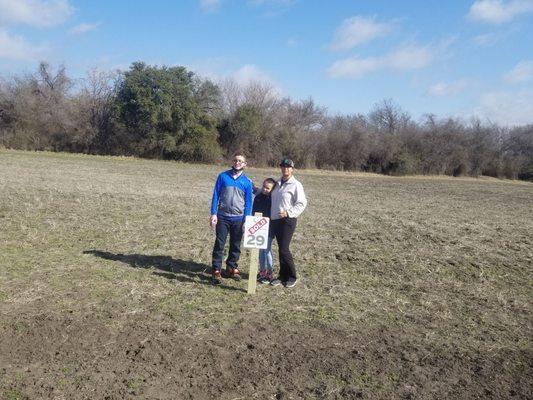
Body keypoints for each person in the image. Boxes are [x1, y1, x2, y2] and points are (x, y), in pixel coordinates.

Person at [210, 153, 253, 285]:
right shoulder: (223, 176)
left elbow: (249, 203)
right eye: (235, 160)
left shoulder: (247, 182)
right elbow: (216, 195)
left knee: (235, 244)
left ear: (245, 164)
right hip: (222, 217)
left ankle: (231, 268)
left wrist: (247, 219)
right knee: (219, 244)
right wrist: (213, 213)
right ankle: (216, 270)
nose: (237, 162)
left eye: (241, 161)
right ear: (232, 162)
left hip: (238, 218)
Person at [269, 158, 307, 288]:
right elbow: (268, 193)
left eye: (288, 167)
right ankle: (282, 276)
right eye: (283, 166)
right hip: (275, 221)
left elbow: (302, 203)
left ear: (292, 169)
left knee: (284, 249)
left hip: (288, 220)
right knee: (280, 249)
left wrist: (288, 212)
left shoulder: (296, 185)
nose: (285, 169)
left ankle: (292, 276)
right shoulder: (277, 183)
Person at [252, 178, 276, 284]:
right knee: (260, 251)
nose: (265, 189)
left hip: (269, 229)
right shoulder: (258, 198)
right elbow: (254, 212)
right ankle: (262, 271)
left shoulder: (273, 200)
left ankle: (270, 272)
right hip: (258, 228)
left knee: (267, 250)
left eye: (268, 188)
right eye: (264, 187)